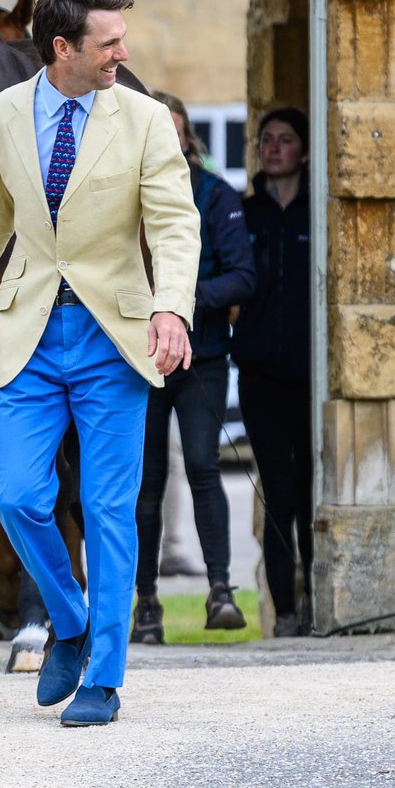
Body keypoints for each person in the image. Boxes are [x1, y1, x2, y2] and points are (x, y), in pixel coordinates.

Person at [0, 0, 201, 726]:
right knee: (16, 496)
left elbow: (173, 224)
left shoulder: (145, 118)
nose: (122, 54)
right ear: (62, 48)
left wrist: (170, 310)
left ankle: (103, 674)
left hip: (113, 336)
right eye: (108, 43)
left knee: (105, 509)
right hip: (27, 331)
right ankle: (69, 621)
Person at [132, 92, 256, 645]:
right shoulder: (126, 194)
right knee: (144, 483)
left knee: (204, 468)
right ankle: (145, 605)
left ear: (186, 138)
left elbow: (243, 277)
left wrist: (179, 300)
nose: (166, 138)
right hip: (139, 360)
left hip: (201, 356)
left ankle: (221, 591)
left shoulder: (215, 194)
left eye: (173, 129)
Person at [230, 107, 312, 638]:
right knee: (277, 489)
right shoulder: (246, 213)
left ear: (304, 151)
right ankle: (284, 610)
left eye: (285, 140)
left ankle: (316, 603)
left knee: (309, 489)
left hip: (312, 374)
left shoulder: (318, 210)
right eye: (266, 140)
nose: (273, 148)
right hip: (260, 371)